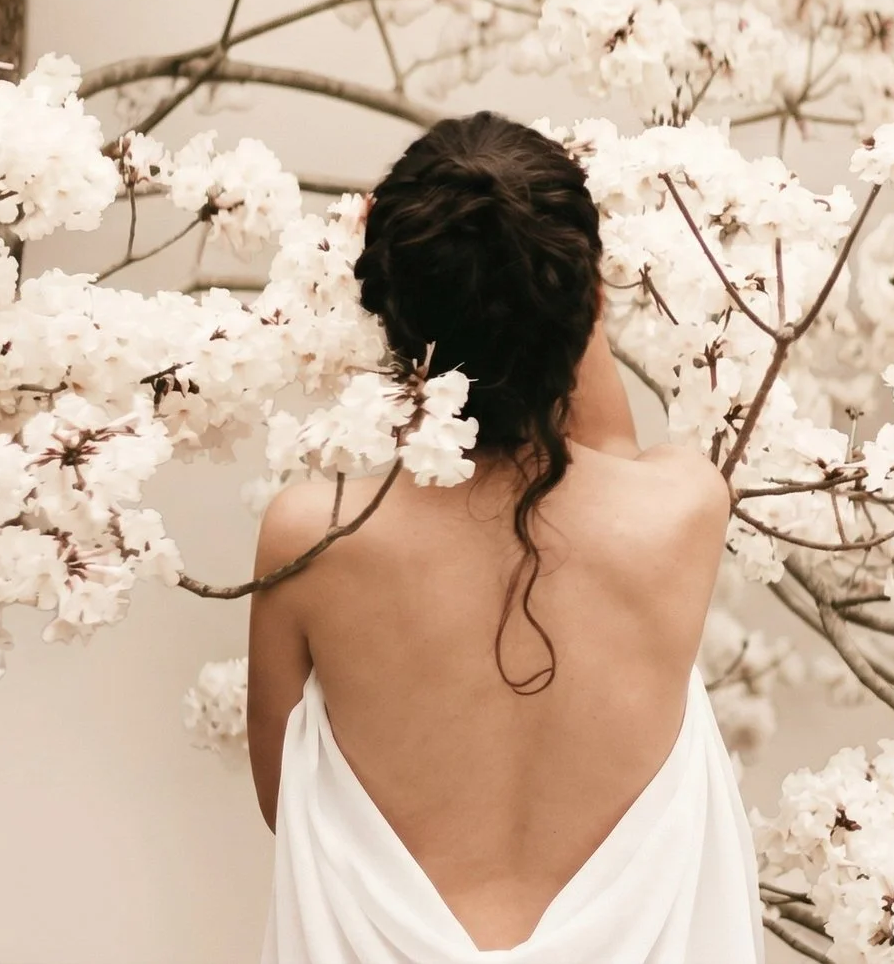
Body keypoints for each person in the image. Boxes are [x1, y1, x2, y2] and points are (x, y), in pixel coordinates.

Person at [247, 112, 761, 962]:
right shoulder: (682, 511)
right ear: (588, 301)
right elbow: (609, 451)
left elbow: (285, 804)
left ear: (387, 305)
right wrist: (567, 284)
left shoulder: (313, 537)